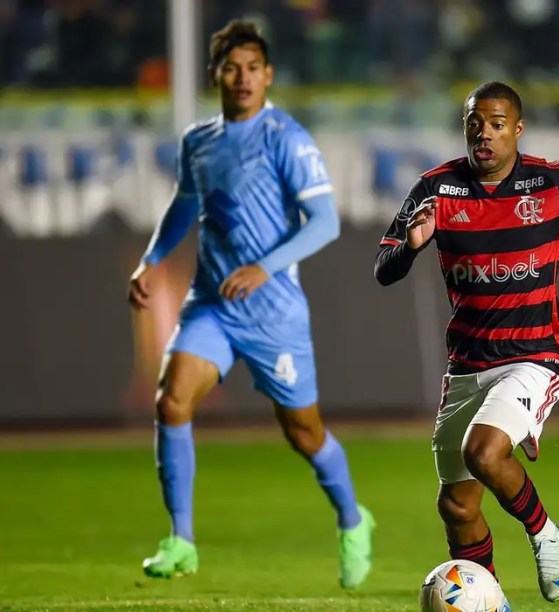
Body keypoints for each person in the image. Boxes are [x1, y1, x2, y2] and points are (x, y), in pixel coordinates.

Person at [374, 81, 559, 603]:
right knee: (458, 507)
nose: (484, 135)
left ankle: (543, 533)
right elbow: (384, 271)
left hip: (536, 354)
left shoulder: (553, 182)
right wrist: (411, 245)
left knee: (485, 453)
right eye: (475, 124)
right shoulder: (435, 189)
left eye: (496, 125)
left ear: (517, 130)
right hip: (468, 362)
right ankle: (495, 600)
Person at [127, 20, 373, 588]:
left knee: (304, 433)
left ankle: (353, 520)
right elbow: (184, 207)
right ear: (215, 74)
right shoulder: (199, 141)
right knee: (171, 402)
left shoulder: (286, 138)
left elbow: (327, 223)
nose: (243, 78)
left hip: (274, 313)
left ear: (268, 76)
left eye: (253, 68)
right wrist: (151, 258)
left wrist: (265, 266)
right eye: (232, 68)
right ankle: (181, 540)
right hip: (211, 304)